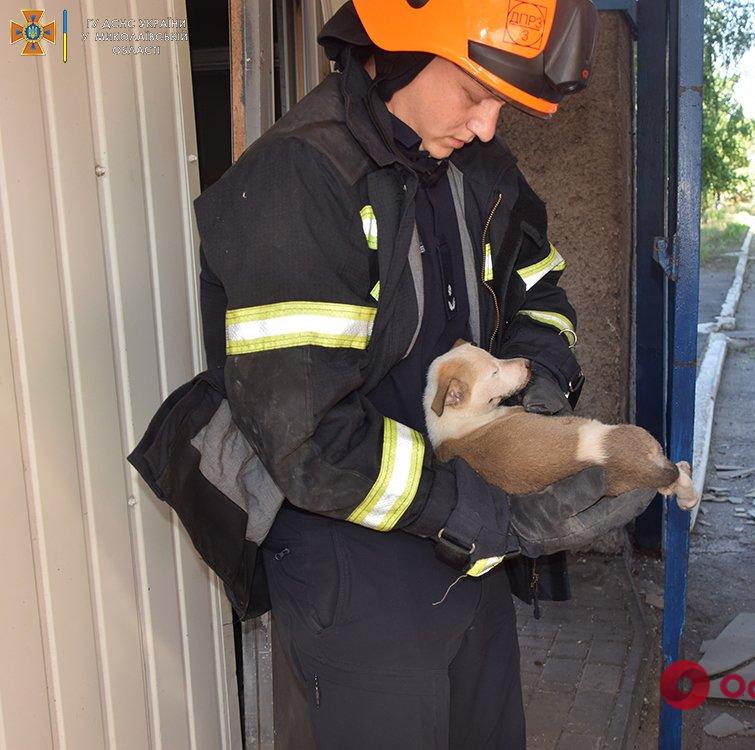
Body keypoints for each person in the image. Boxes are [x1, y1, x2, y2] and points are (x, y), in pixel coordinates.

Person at [191, 1, 655, 746]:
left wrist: (532, 391)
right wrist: (494, 513)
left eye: (500, 103)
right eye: (475, 94)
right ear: (400, 48)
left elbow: (545, 293)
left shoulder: (478, 168)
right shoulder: (299, 184)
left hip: (468, 555)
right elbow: (311, 445)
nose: (487, 125)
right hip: (354, 565)